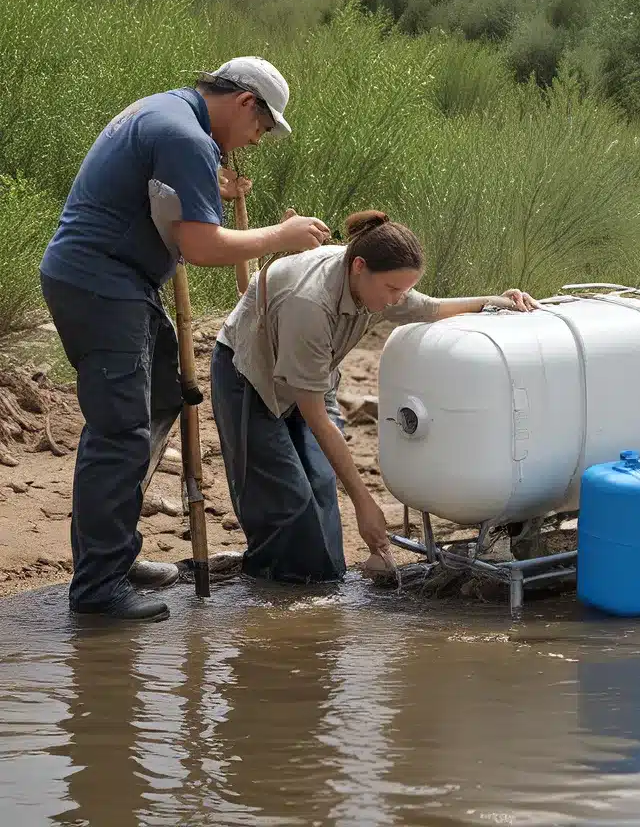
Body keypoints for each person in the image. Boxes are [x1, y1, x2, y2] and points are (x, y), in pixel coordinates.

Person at [39, 57, 332, 624]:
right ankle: (97, 586)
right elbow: (199, 247)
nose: (254, 142)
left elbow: (158, 202)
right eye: (261, 129)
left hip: (110, 279)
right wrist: (282, 236)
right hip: (103, 284)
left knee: (160, 398)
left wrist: (206, 187)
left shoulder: (168, 112)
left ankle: (113, 554)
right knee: (120, 431)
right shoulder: (185, 135)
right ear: (246, 102)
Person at [210, 210, 539, 585]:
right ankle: (270, 589)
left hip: (309, 377)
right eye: (392, 290)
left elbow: (427, 307)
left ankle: (322, 585)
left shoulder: (376, 284)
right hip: (249, 375)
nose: (397, 299)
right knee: (286, 502)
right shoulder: (310, 303)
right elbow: (315, 415)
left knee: (319, 487)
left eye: (403, 290)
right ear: (359, 267)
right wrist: (364, 503)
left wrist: (493, 301)